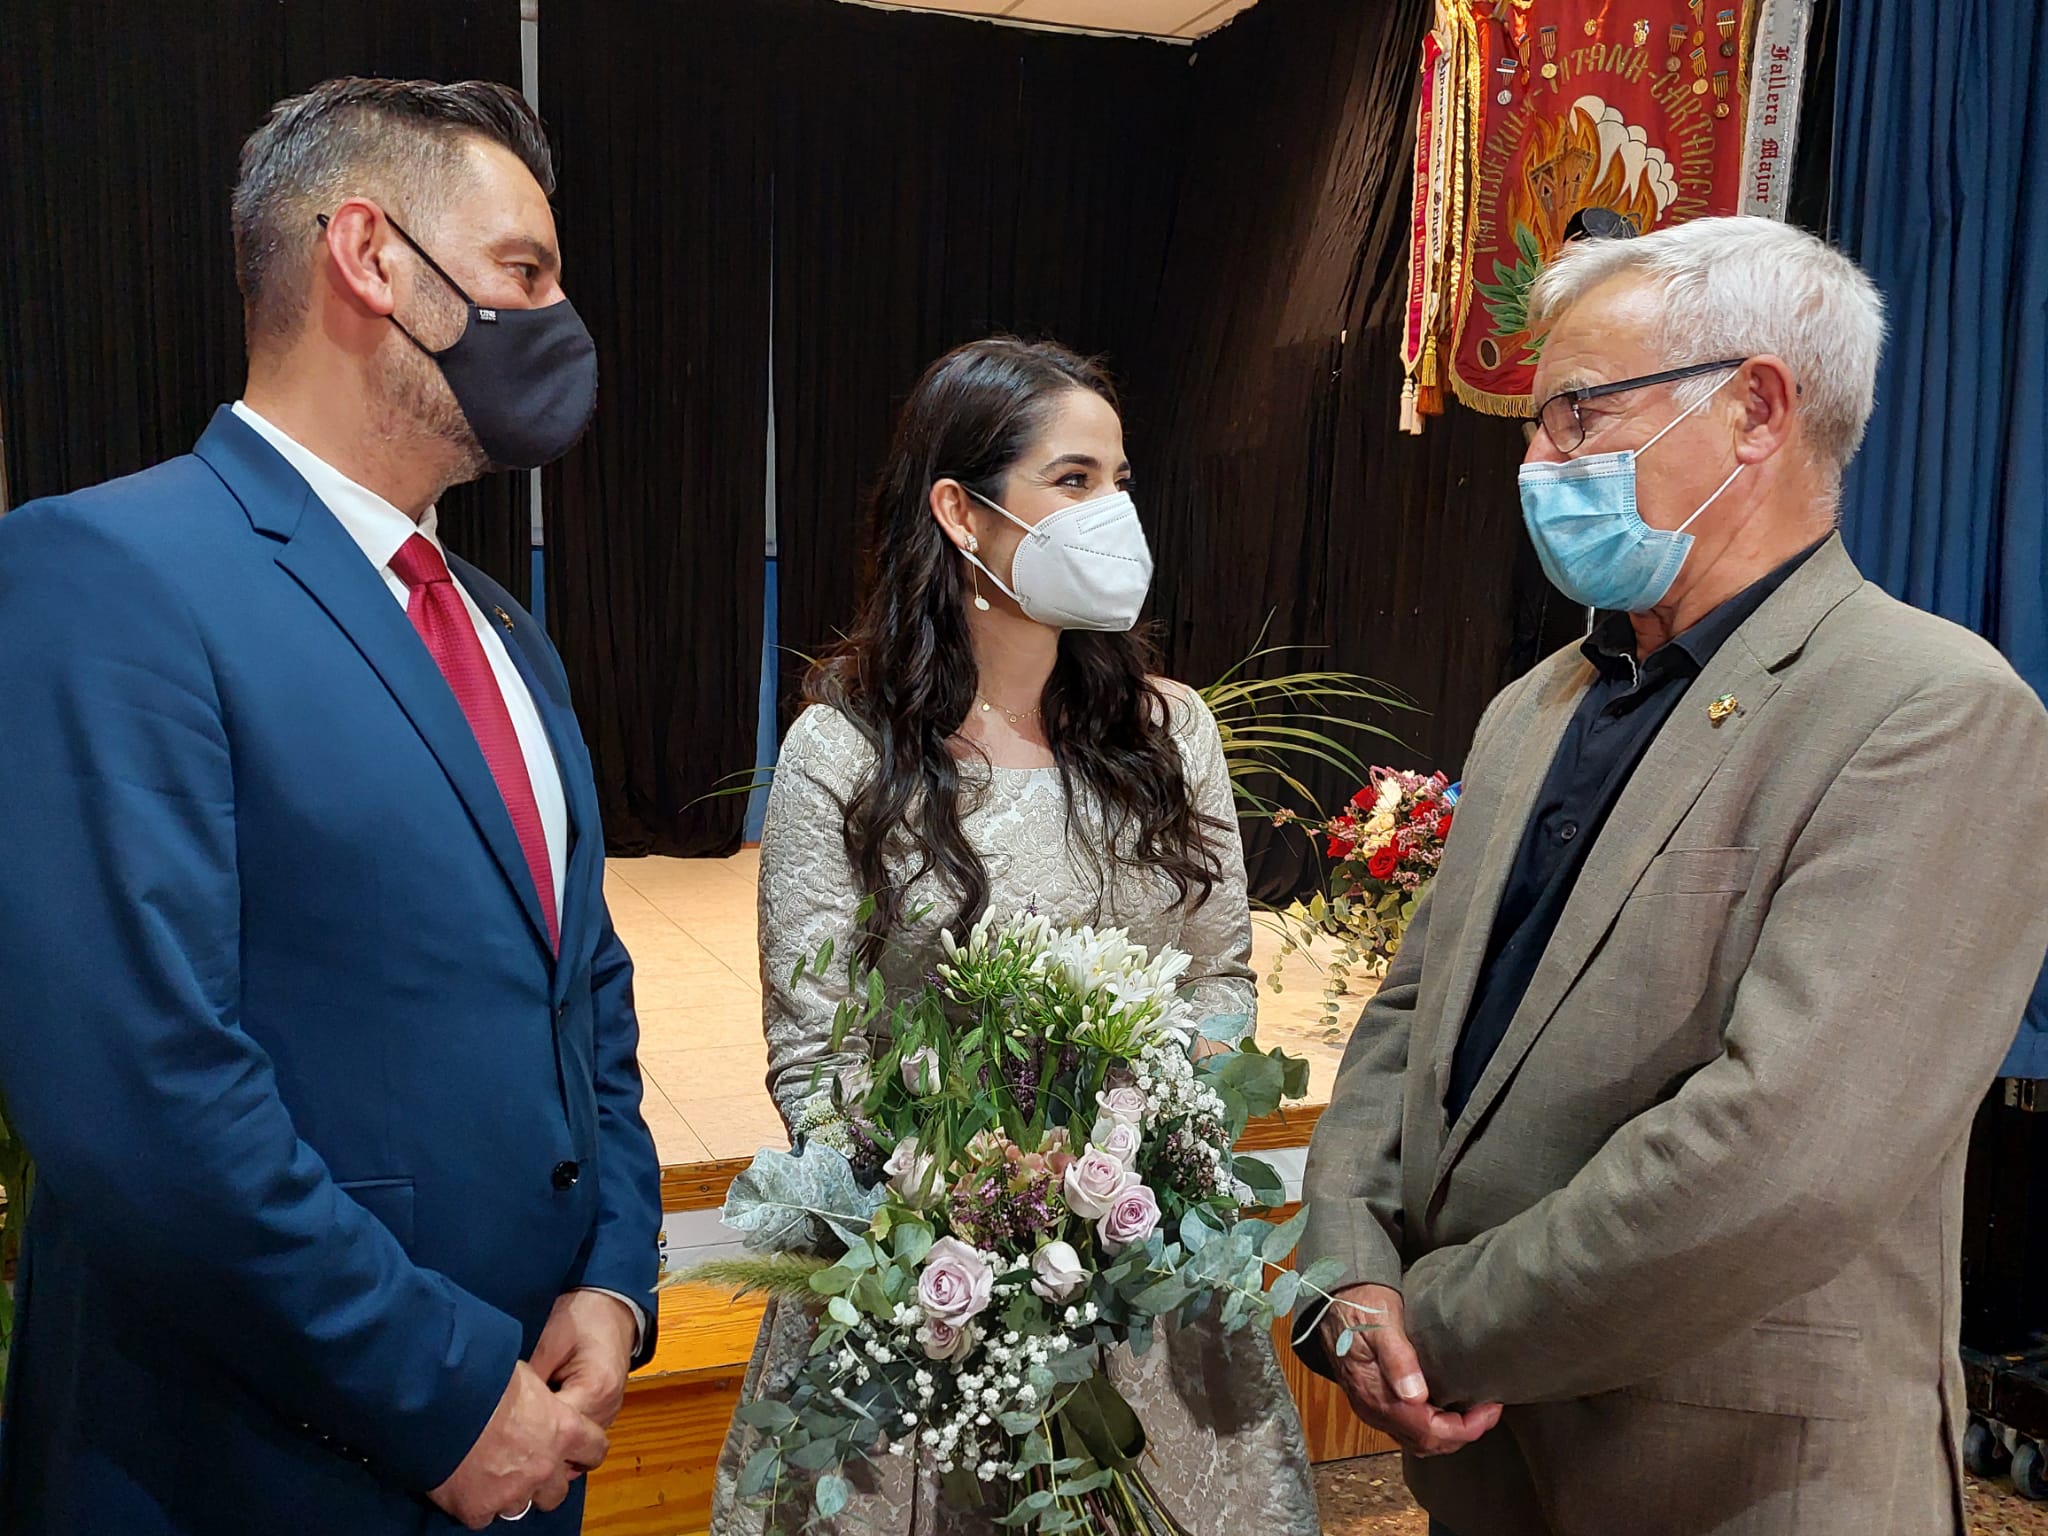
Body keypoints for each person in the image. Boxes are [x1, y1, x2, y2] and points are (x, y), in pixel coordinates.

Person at [1295, 215, 2048, 1536]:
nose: (1536, 462)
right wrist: (1352, 1277)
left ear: (1755, 409)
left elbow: (1780, 1157)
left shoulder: (1930, 712)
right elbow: (1409, 1024)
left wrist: (1432, 1326)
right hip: (1484, 1470)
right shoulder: (1541, 701)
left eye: (1575, 415)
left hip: (1734, 1487)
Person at [0, 78, 661, 1535]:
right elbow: (144, 1097)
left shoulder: (508, 634)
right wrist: (439, 1392)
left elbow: (586, 995)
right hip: (250, 1465)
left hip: (532, 1444)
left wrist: (614, 1279)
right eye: (525, 275)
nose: (556, 322)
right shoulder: (106, 571)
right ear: (368, 256)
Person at [711, 338, 1320, 1535]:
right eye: (1073, 481)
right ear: (960, 510)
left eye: (1121, 481)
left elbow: (1217, 979)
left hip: (1142, 1261)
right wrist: (955, 1213)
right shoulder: (842, 754)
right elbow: (814, 1053)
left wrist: (1142, 1174)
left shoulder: (1170, 733)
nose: (1114, 514)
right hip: (923, 1287)